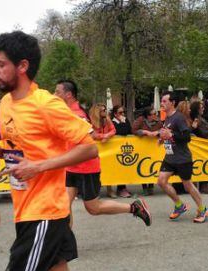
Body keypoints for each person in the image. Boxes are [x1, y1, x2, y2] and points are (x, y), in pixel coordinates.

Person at [0, 31, 156, 271]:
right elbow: (14, 142)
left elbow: (89, 146)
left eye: (0, 64)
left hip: (44, 211)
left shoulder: (46, 104)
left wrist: (41, 166)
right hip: (28, 210)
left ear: (22, 66)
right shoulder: (6, 103)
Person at [54, 81, 151, 228]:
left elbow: (91, 136)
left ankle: (134, 207)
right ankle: (66, 243)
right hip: (72, 167)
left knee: (93, 208)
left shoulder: (78, 115)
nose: (54, 95)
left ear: (68, 94)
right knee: (64, 206)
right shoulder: (68, 112)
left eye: (57, 92)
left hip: (86, 168)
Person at [157, 91, 208, 223]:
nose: (162, 103)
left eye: (164, 101)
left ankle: (202, 209)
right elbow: (169, 133)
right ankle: (179, 205)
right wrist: (163, 139)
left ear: (172, 103)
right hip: (170, 157)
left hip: (182, 158)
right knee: (161, 181)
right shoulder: (167, 117)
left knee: (188, 185)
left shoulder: (179, 117)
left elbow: (186, 137)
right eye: (162, 101)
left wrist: (171, 136)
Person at [132, 106, 162, 195]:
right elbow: (134, 130)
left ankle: (151, 185)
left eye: (155, 114)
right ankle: (144, 186)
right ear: (147, 115)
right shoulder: (140, 120)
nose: (154, 116)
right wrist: (145, 132)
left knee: (153, 164)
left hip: (154, 147)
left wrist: (158, 132)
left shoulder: (158, 121)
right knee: (143, 165)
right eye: (152, 114)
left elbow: (163, 129)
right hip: (143, 146)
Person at [111, 105, 132, 198]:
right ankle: (119, 188)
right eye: (120, 112)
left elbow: (129, 130)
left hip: (124, 148)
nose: (122, 114)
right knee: (117, 168)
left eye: (123, 112)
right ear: (115, 114)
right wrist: (122, 123)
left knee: (124, 167)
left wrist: (123, 122)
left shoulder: (125, 120)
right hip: (114, 149)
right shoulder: (112, 122)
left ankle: (122, 188)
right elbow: (120, 132)